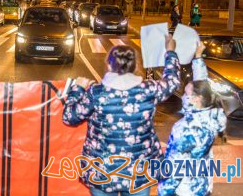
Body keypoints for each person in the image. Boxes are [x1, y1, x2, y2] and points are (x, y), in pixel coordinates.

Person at [63, 36, 182, 196]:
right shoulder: (148, 90)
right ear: (135, 66)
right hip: (138, 173)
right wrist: (170, 51)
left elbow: (69, 116)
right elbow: (172, 81)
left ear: (109, 64)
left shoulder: (96, 93)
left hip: (102, 172)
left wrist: (77, 88)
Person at [158, 42, 226, 196]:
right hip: (203, 186)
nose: (183, 96)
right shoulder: (213, 115)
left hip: (184, 190)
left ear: (196, 99)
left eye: (187, 93)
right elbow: (202, 85)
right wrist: (198, 57)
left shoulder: (185, 128)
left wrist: (164, 192)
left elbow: (175, 169)